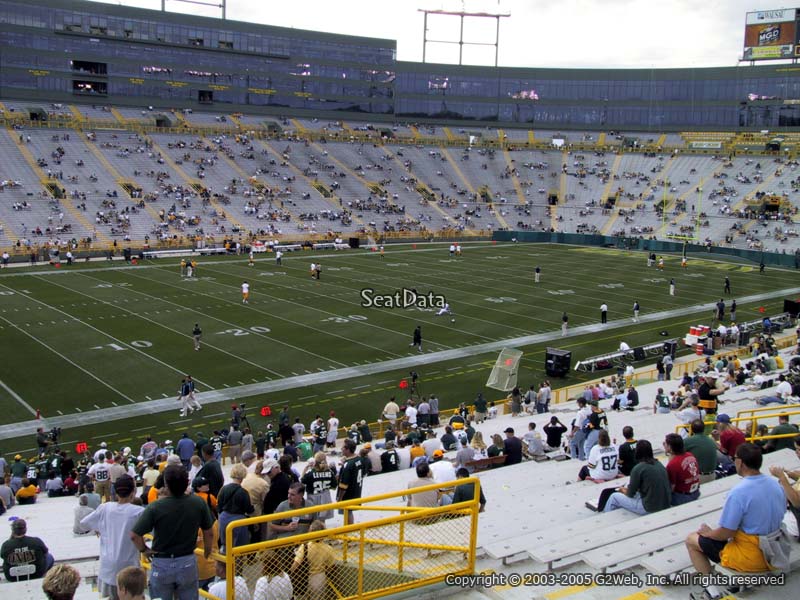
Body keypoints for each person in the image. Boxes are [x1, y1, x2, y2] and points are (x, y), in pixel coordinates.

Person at [685, 443, 787, 600]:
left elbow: (726, 532)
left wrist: (709, 533)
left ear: (741, 463)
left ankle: (711, 591)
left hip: (753, 557)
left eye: (735, 458)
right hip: (777, 550)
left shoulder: (739, 492)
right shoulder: (776, 484)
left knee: (692, 540)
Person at [130, 465, 214, 600]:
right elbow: (208, 532)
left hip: (162, 563)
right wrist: (207, 550)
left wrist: (144, 550)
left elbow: (134, 535)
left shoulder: (155, 507)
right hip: (187, 561)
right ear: (187, 482)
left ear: (166, 484)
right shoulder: (198, 502)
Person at [80, 475, 143, 600]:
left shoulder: (105, 507)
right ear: (133, 492)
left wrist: (99, 528)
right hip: (129, 566)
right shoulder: (138, 511)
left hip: (108, 566)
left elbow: (84, 523)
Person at [603, 440, 671, 515]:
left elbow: (630, 494)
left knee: (614, 497)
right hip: (665, 504)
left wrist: (622, 490)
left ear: (637, 452)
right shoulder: (659, 464)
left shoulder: (638, 468)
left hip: (649, 508)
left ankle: (605, 517)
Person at [291, 520, 336, 599]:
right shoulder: (328, 549)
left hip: (304, 577)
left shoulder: (305, 547)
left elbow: (295, 565)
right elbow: (331, 567)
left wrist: (292, 574)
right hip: (319, 577)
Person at [217, 464, 254, 549]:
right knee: (238, 547)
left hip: (224, 517)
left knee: (225, 545)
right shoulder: (243, 492)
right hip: (238, 519)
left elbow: (219, 505)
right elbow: (249, 510)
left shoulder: (223, 489)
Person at [664, 434, 701, 506]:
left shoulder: (672, 465)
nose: (663, 444)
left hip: (682, 497)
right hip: (696, 492)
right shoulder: (690, 455)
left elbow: (672, 487)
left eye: (665, 443)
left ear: (670, 447)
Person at [336, 439, 364, 525]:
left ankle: (349, 530)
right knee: (349, 512)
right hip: (357, 489)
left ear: (348, 449)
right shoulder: (359, 459)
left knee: (347, 512)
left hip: (348, 493)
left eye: (343, 447)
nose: (341, 449)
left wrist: (340, 498)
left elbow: (344, 485)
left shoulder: (348, 465)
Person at [684, 420, 718, 485]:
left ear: (692, 429)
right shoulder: (710, 440)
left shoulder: (688, 441)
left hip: (699, 477)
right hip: (712, 475)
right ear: (704, 428)